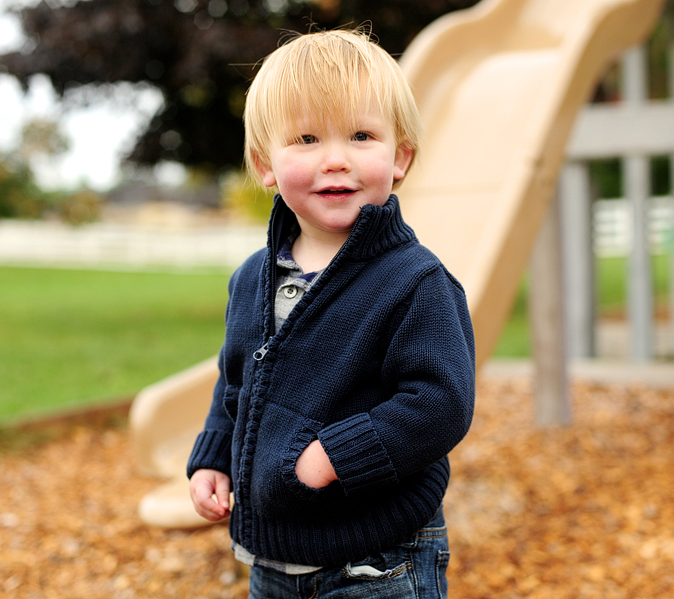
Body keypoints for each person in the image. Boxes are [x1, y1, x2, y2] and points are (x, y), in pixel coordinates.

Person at [187, 27, 475, 599]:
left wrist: (341, 453)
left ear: (400, 158)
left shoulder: (414, 281)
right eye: (307, 138)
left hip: (377, 556)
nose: (336, 160)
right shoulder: (252, 279)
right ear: (265, 164)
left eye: (362, 136)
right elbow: (236, 383)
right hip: (272, 556)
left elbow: (441, 401)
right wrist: (213, 458)